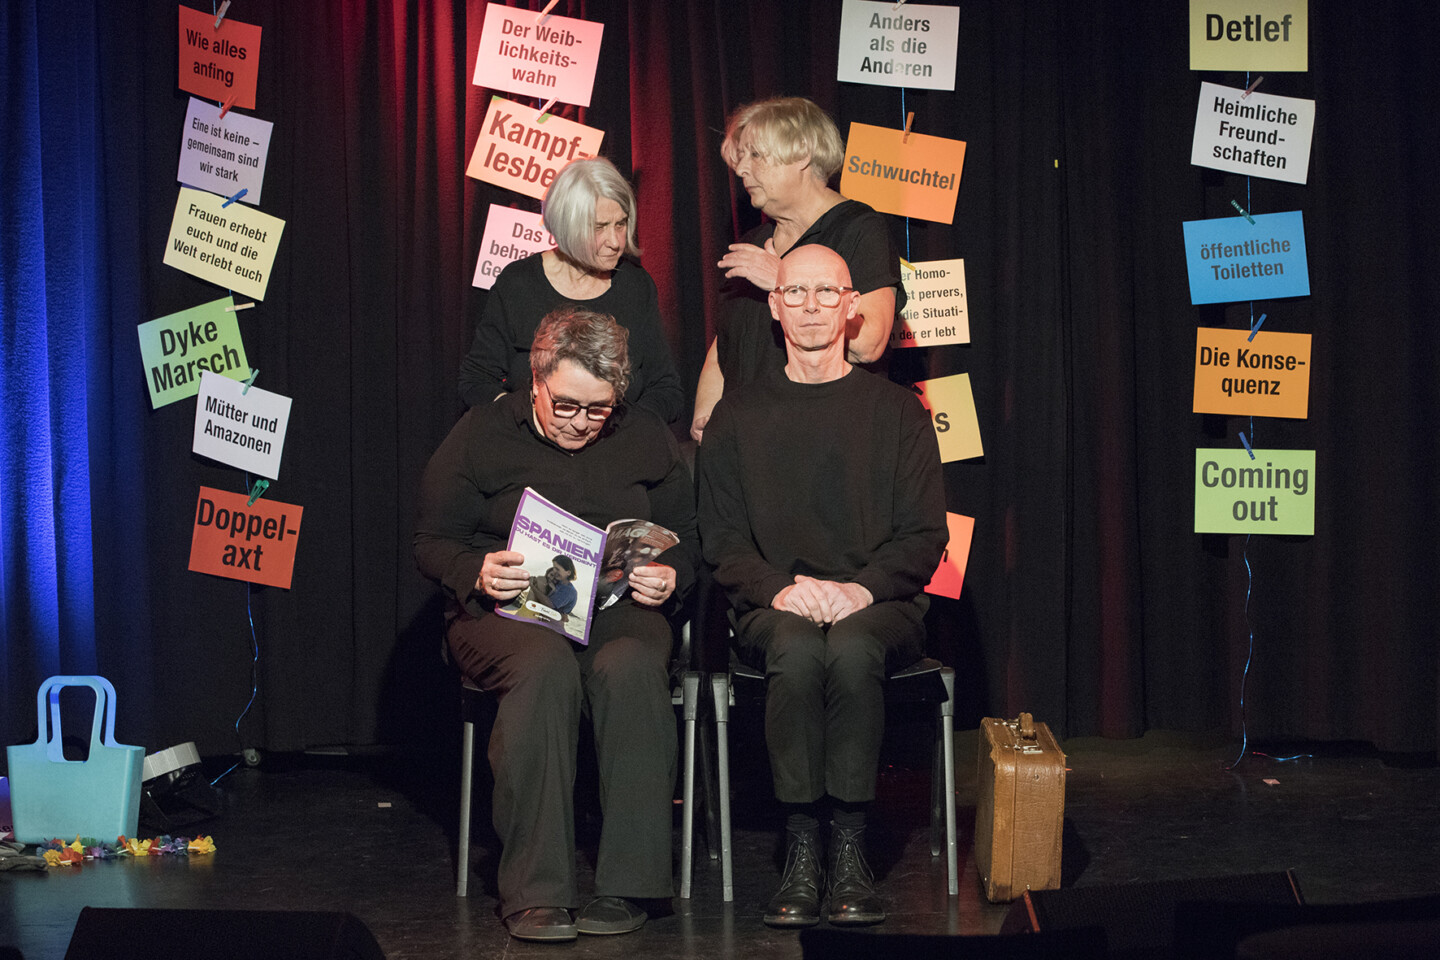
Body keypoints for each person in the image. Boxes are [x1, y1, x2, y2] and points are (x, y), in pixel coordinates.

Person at [417, 308, 697, 942]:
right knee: (543, 668)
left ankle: (630, 885)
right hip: (508, 613)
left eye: (598, 410)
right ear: (536, 380)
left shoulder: (645, 435)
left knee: (628, 666)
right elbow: (432, 541)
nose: (579, 422)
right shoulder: (482, 432)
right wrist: (478, 569)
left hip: (617, 609)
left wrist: (669, 572)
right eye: (566, 405)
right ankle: (537, 893)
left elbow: (691, 537)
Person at [696, 245, 947, 928]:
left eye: (826, 293)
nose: (810, 307)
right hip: (775, 606)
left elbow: (925, 536)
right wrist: (778, 589)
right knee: (801, 650)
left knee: (853, 650)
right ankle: (803, 846)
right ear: (774, 307)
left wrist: (860, 590)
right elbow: (719, 538)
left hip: (879, 606)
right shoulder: (737, 416)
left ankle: (851, 845)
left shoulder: (898, 414)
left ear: (852, 307)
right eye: (795, 293)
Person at [691, 97, 906, 442]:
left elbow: (870, 342)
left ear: (803, 154)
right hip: (747, 441)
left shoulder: (860, 230)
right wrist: (707, 415)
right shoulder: (753, 242)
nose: (742, 170)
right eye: (740, 158)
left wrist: (782, 281)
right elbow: (725, 344)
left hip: (825, 442)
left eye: (756, 156)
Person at [459, 156, 684, 424]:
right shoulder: (518, 283)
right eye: (599, 227)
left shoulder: (636, 286)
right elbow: (475, 381)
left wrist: (624, 432)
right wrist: (529, 425)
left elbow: (666, 390)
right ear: (568, 225)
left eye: (621, 224)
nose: (615, 242)